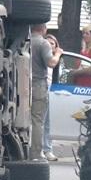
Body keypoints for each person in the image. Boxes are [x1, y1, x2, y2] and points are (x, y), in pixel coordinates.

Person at [30, 23, 61, 161]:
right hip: (38, 85)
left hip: (22, 85)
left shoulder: (24, 40)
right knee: (38, 120)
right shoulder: (43, 43)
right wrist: (58, 54)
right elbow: (51, 63)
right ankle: (36, 153)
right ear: (43, 29)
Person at [42, 33, 60, 162]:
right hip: (43, 89)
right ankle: (43, 149)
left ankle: (47, 149)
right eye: (47, 43)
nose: (49, 45)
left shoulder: (58, 60)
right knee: (42, 121)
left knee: (48, 122)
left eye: (52, 44)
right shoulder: (46, 58)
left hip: (54, 91)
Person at [74, 23, 91, 87]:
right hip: (82, 84)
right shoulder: (85, 48)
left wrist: (76, 72)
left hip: (90, 85)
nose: (84, 35)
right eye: (83, 33)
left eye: (87, 33)